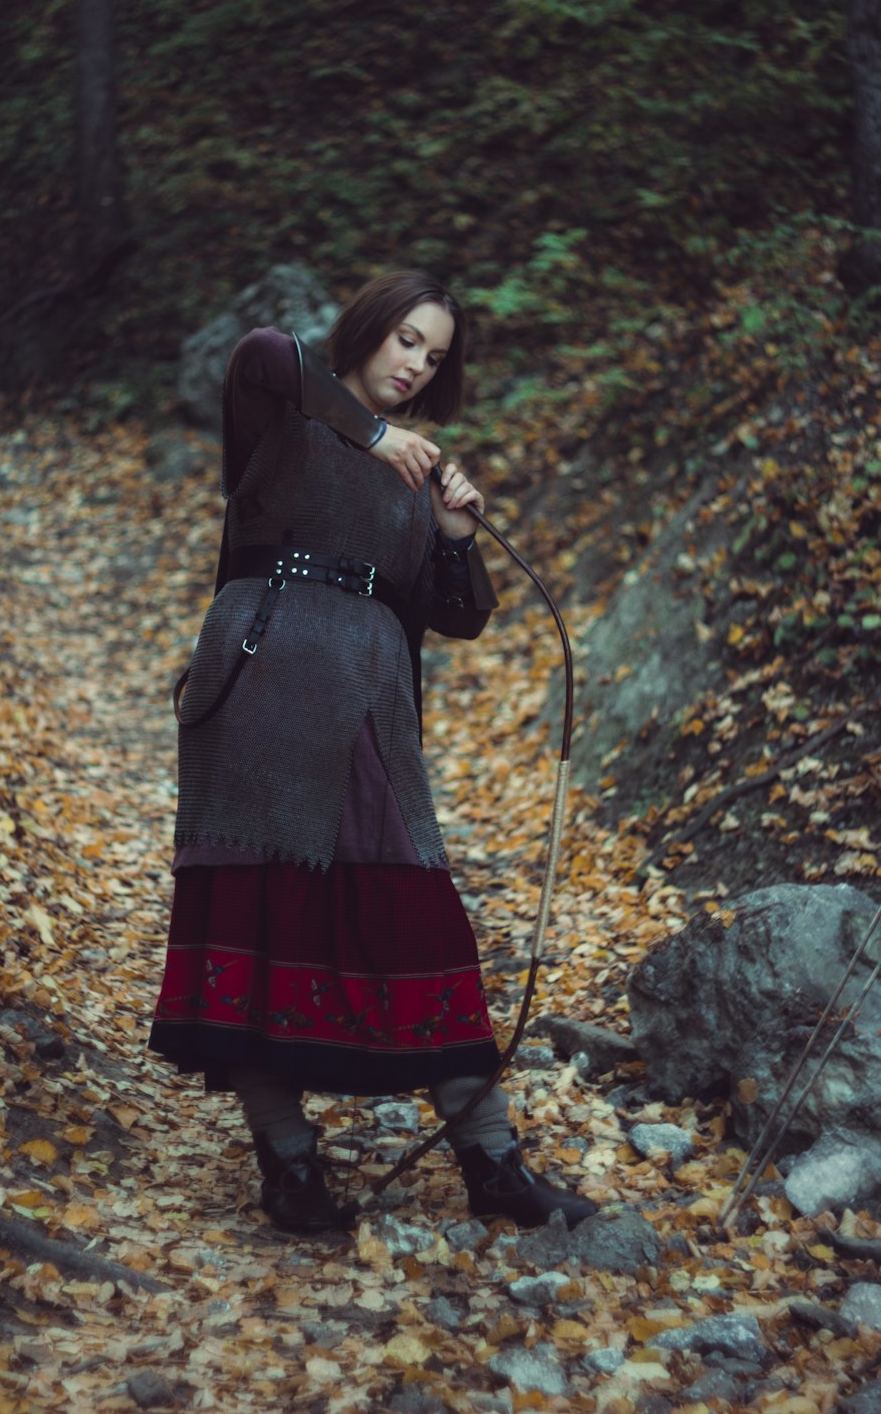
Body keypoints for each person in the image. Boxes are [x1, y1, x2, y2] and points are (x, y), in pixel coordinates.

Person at [148, 269, 595, 1234]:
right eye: (406, 340)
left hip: (370, 704)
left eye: (434, 356)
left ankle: (495, 1165)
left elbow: (460, 618)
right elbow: (262, 350)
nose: (416, 366)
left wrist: (451, 534)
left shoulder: (425, 469)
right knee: (261, 917)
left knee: (420, 917)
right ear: (367, 328)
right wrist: (375, 432)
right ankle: (291, 1169)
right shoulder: (287, 414)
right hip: (264, 686)